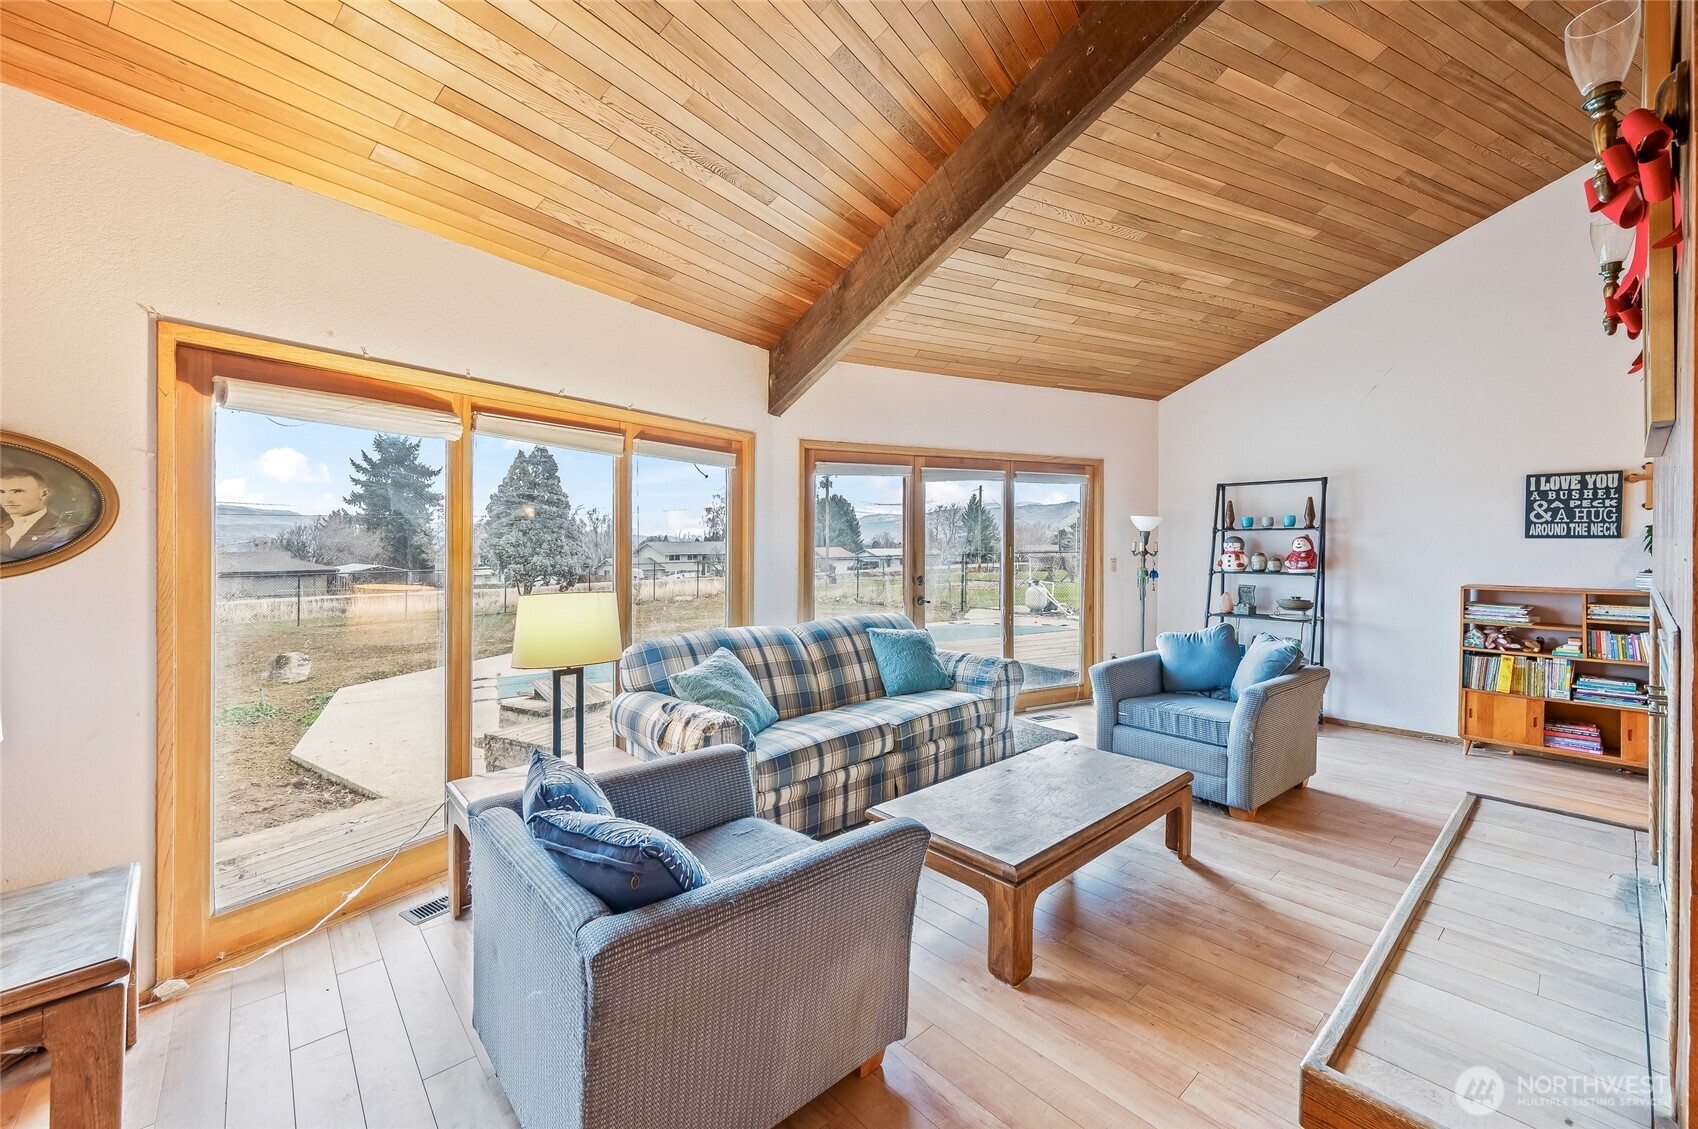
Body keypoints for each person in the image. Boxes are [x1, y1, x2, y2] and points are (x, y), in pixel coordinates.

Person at [0, 465, 86, 560]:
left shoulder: (70, 532)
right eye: (1, 492)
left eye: (17, 491)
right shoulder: (3, 526)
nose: (7, 499)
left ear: (44, 494)